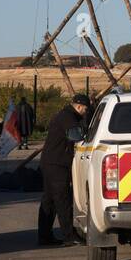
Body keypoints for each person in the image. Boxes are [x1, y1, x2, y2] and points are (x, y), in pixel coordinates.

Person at [38, 93, 89, 246]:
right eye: (85, 109)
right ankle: (69, 235)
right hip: (57, 164)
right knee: (62, 199)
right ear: (79, 106)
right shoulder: (67, 117)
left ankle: (44, 235)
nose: (86, 112)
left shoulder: (65, 114)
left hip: (51, 162)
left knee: (50, 200)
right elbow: (76, 135)